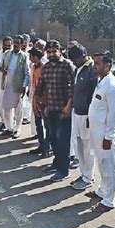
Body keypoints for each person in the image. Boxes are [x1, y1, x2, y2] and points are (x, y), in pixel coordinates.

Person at [86, 52, 115, 213]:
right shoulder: (101, 81)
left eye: (98, 64)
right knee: (101, 163)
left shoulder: (112, 86)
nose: (95, 66)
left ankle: (109, 200)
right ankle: (102, 191)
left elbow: (114, 114)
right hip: (96, 132)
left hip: (105, 134)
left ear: (108, 66)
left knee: (110, 165)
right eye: (94, 63)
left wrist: (109, 137)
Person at [35, 40, 74, 182]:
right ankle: (57, 163)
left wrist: (69, 106)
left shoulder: (67, 66)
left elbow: (72, 89)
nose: (51, 54)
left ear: (60, 51)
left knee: (62, 140)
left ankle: (64, 170)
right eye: (49, 52)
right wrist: (38, 102)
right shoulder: (46, 68)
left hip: (64, 110)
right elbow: (41, 86)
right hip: (50, 109)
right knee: (52, 138)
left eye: (54, 52)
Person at [68, 44, 98, 190]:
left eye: (75, 59)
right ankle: (83, 174)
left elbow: (93, 95)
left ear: (83, 56)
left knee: (87, 148)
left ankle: (89, 177)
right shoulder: (78, 69)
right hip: (77, 112)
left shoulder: (91, 70)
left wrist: (90, 116)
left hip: (86, 115)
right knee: (79, 146)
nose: (73, 62)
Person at [0, 35, 30, 138]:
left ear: (22, 44)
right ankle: (9, 128)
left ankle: (17, 129)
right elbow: (2, 66)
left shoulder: (24, 56)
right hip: (7, 84)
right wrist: (2, 70)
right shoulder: (7, 54)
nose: (16, 45)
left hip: (18, 85)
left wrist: (24, 86)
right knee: (6, 108)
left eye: (18, 43)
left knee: (18, 110)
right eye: (15, 43)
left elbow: (27, 73)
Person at [29, 48, 50, 157]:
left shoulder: (44, 68)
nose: (30, 59)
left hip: (44, 100)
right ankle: (41, 146)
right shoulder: (33, 67)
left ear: (36, 57)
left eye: (31, 56)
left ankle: (47, 148)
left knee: (47, 126)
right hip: (36, 99)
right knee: (38, 125)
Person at [0, 36, 13, 131]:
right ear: (2, 45)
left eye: (9, 46)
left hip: (8, 84)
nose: (7, 47)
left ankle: (8, 125)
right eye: (5, 45)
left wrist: (6, 71)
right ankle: (3, 121)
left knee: (6, 106)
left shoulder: (13, 56)